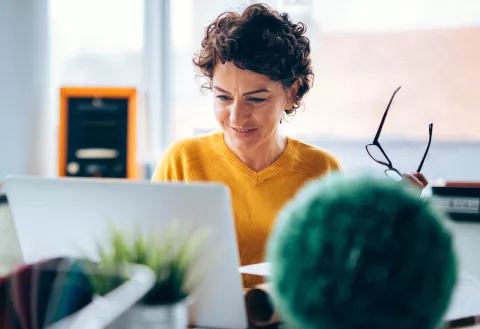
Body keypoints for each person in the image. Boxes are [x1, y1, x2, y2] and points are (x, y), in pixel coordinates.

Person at [151, 3, 427, 287]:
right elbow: (151, 265)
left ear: (292, 93)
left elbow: (344, 270)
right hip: (201, 325)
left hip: (287, 328)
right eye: (223, 97)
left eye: (256, 99)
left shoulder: (321, 171)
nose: (236, 116)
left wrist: (393, 216)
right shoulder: (182, 161)